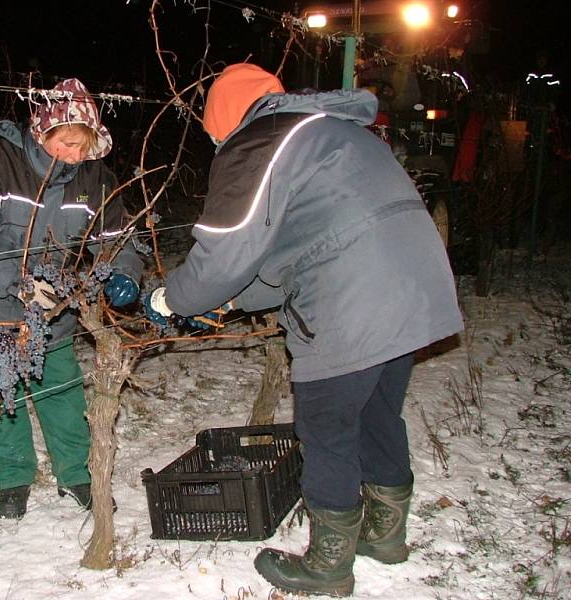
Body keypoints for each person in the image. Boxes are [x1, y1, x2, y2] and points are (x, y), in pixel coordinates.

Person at [144, 63, 464, 596]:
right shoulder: (330, 132)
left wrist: (171, 297)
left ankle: (328, 566)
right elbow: (295, 248)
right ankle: (386, 536)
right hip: (414, 288)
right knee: (377, 413)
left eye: (212, 130)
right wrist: (231, 304)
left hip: (352, 301)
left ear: (224, 114)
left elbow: (226, 254)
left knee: (327, 429)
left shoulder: (256, 143)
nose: (216, 140)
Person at [0, 78, 143, 520]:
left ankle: (77, 474)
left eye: (84, 147)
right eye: (67, 143)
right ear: (41, 131)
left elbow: (116, 236)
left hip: (54, 312)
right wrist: (20, 282)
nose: (75, 156)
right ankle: (13, 478)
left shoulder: (92, 176)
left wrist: (124, 270)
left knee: (62, 391)